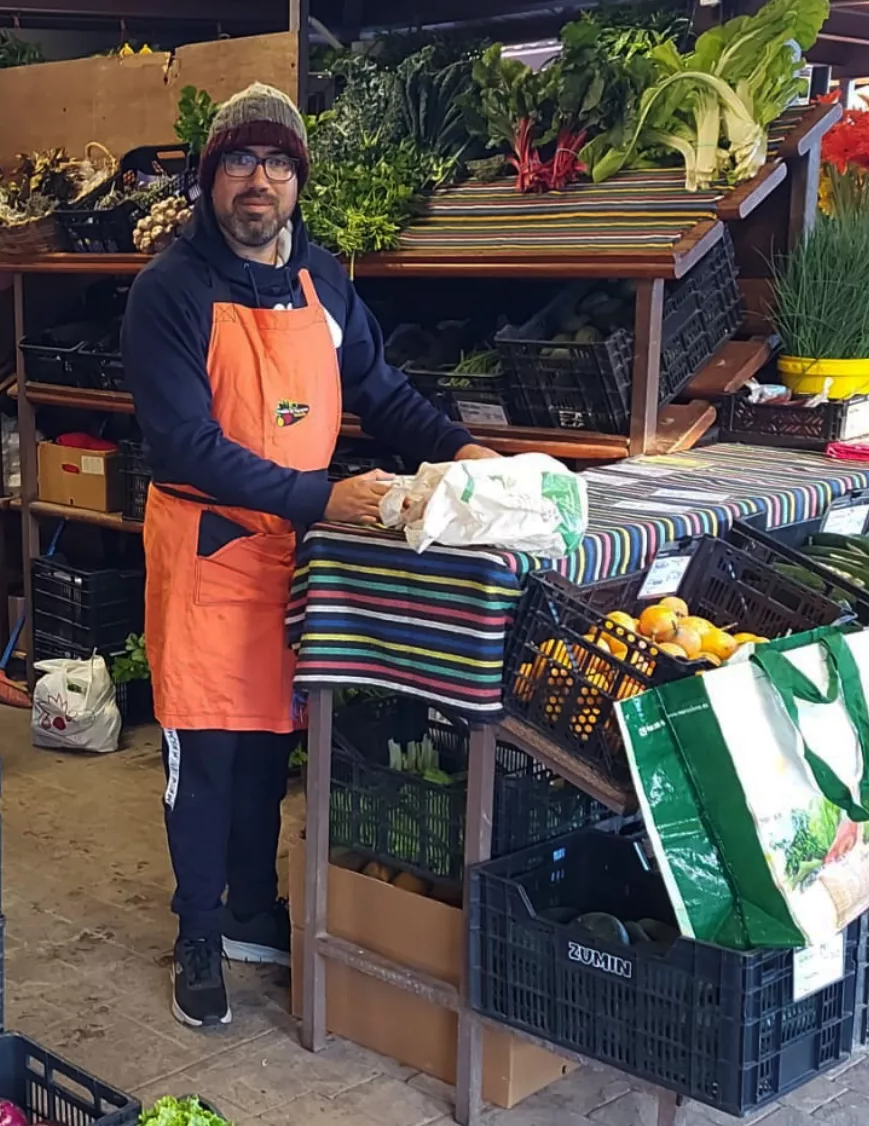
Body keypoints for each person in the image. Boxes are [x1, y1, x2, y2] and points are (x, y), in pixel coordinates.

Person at [121, 82, 499, 1029]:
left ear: (298, 181)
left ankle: (254, 911)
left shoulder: (323, 281)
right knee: (204, 755)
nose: (260, 181)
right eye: (242, 162)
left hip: (297, 558)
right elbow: (184, 447)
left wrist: (459, 447)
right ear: (212, 178)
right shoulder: (168, 291)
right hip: (209, 553)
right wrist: (322, 497)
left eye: (278, 164)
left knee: (269, 749)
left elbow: (379, 387)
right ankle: (197, 931)